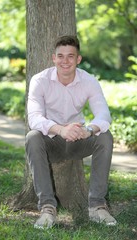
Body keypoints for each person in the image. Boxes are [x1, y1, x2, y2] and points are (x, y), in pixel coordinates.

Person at [26, 35, 117, 229]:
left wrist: (88, 130)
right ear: (53, 58)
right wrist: (61, 129)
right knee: (32, 137)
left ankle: (97, 207)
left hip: (79, 141)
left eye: (70, 56)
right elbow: (34, 118)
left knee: (105, 137)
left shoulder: (89, 81)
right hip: (51, 140)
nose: (64, 61)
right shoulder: (40, 80)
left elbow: (104, 115)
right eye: (60, 56)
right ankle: (47, 209)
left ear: (78, 59)